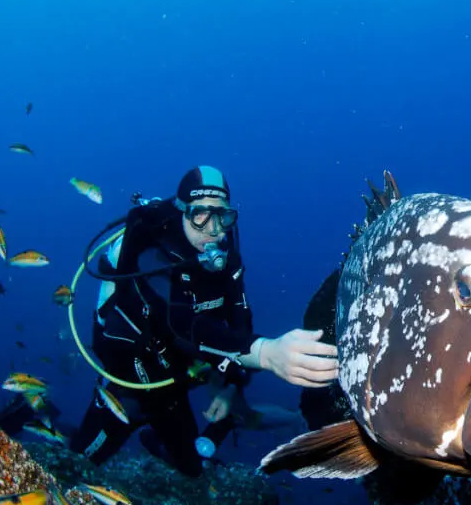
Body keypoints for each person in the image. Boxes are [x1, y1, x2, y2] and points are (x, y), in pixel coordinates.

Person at [69, 166, 339, 477]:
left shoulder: (226, 260)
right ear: (182, 212)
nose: (213, 229)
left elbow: (240, 324)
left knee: (192, 470)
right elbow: (182, 324)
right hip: (128, 377)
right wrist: (266, 353)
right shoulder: (152, 257)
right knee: (79, 465)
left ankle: (154, 441)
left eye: (222, 215)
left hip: (174, 383)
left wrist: (230, 389)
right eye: (200, 215)